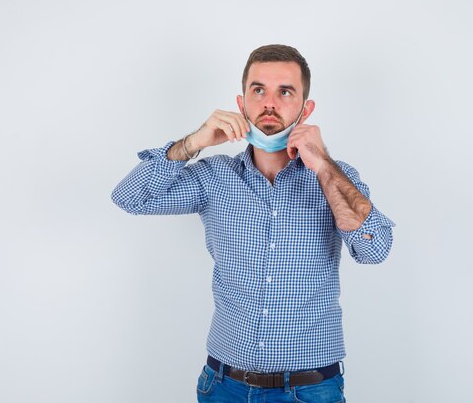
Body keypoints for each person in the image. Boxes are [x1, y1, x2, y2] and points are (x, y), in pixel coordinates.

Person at [111, 44, 395, 402]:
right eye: (258, 90)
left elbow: (375, 249)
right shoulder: (213, 178)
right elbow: (130, 198)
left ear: (305, 109)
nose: (269, 104)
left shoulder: (336, 179)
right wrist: (193, 142)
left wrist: (323, 165)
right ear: (242, 102)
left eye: (285, 92)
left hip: (310, 390)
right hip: (223, 386)